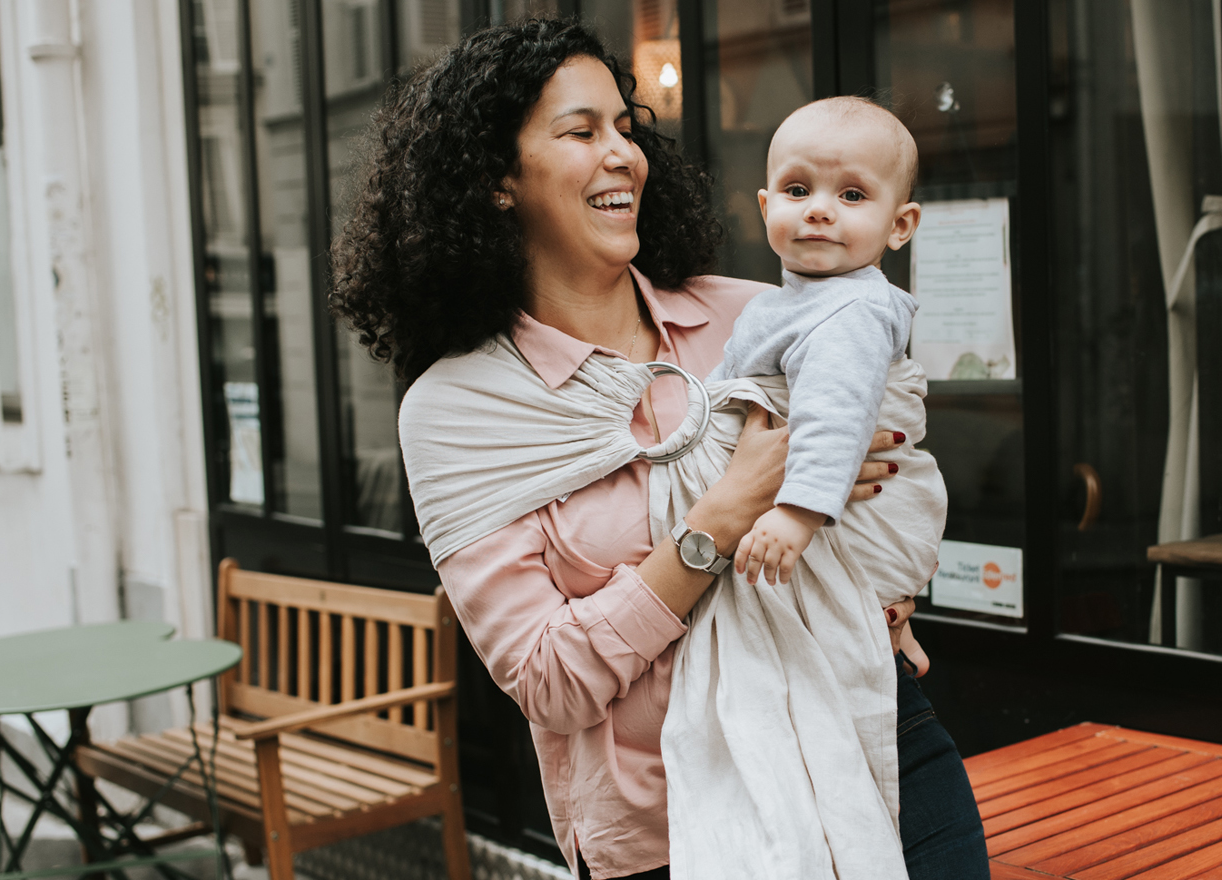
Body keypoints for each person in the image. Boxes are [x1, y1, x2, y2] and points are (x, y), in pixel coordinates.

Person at [328, 18, 987, 880]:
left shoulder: (757, 319)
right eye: (581, 132)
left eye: (625, 129)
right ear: (496, 180)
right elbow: (550, 681)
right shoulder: (459, 410)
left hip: (869, 743)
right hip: (667, 824)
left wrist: (879, 598)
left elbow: (883, 472)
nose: (623, 155)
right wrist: (718, 517)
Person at [712, 97, 927, 592]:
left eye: (851, 195)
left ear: (899, 225)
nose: (818, 210)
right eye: (797, 189)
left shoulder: (854, 310)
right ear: (767, 207)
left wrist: (797, 513)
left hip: (834, 519)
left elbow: (835, 414)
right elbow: (722, 387)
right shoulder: (782, 304)